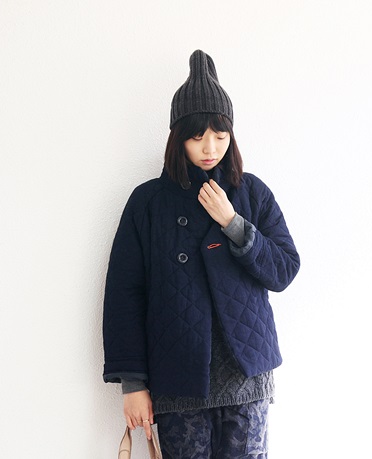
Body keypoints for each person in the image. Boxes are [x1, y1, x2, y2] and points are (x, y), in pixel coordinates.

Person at [102, 49, 300, 459]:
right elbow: (124, 295)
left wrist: (234, 223)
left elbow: (284, 270)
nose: (210, 147)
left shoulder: (251, 193)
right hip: (179, 382)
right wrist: (133, 384)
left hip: (246, 378)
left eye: (221, 136)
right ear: (178, 137)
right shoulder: (148, 203)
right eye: (197, 137)